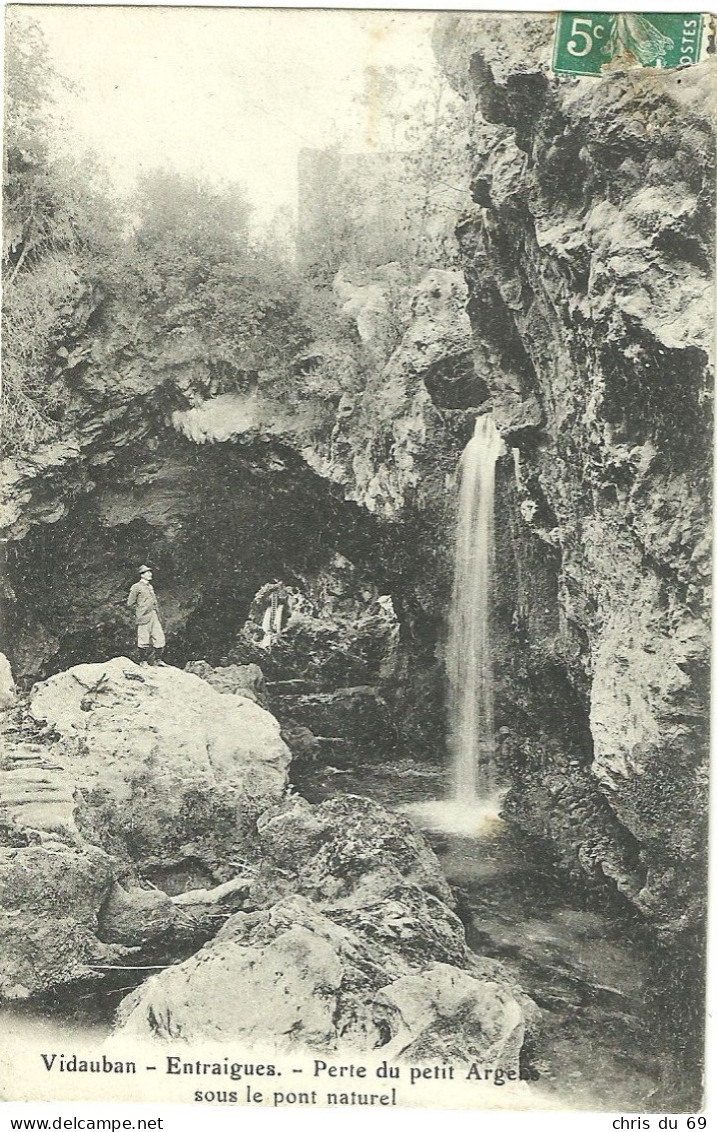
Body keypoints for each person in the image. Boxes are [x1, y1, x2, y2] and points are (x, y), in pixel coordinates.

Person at [127, 565, 167, 666]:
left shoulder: (150, 587)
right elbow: (130, 603)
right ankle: (143, 661)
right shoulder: (136, 587)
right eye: (147, 572)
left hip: (153, 615)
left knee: (159, 637)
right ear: (142, 575)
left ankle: (158, 660)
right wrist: (139, 611)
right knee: (143, 639)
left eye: (150, 572)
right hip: (143, 617)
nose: (150, 574)